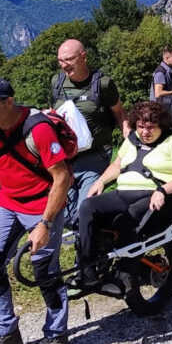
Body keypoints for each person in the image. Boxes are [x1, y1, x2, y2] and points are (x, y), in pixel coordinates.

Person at [0, 78, 72, 344]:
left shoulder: (39, 129)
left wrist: (44, 225)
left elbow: (62, 178)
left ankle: (56, 334)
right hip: (7, 203)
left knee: (44, 270)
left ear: (8, 102)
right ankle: (5, 333)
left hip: (43, 204)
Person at [76, 101, 172, 288]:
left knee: (130, 216)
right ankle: (87, 270)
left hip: (155, 194)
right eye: (140, 126)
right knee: (87, 207)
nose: (145, 132)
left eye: (151, 128)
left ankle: (124, 274)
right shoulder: (132, 139)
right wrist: (101, 181)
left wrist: (163, 190)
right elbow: (117, 165)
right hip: (123, 192)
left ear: (161, 126)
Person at [52, 39, 128, 229]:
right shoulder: (56, 82)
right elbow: (53, 112)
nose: (64, 65)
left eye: (68, 59)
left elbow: (119, 113)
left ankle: (89, 255)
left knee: (84, 210)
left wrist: (131, 141)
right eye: (60, 60)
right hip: (66, 159)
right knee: (63, 212)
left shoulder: (102, 84)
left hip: (96, 156)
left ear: (83, 57)